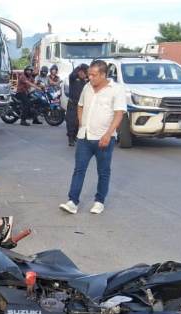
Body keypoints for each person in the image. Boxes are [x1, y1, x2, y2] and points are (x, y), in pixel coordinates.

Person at [59, 60, 126, 215]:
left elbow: (119, 114)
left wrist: (108, 134)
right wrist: (82, 123)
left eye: (94, 75)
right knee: (79, 169)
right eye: (89, 74)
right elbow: (80, 105)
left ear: (103, 74)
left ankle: (99, 201)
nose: (90, 78)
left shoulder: (116, 90)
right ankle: (72, 201)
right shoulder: (87, 88)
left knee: (103, 171)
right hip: (85, 137)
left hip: (104, 138)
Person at [66, 64, 89, 146]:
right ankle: (70, 138)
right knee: (71, 121)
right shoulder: (73, 79)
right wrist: (79, 66)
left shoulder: (86, 81)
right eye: (81, 72)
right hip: (73, 103)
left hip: (82, 105)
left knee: (78, 122)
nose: (83, 74)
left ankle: (75, 135)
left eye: (84, 73)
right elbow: (73, 74)